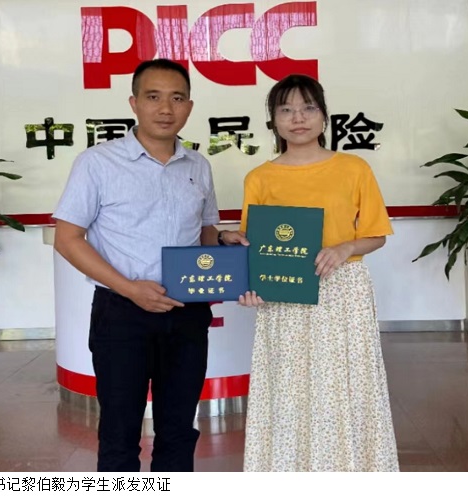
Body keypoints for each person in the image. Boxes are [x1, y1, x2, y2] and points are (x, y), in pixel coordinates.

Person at [52, 58, 244, 472]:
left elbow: (204, 232)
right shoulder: (97, 162)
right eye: (153, 97)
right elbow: (67, 239)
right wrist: (130, 288)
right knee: (120, 431)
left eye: (177, 98)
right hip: (122, 314)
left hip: (187, 312)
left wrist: (222, 242)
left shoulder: (198, 165)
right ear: (134, 103)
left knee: (179, 429)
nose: (165, 108)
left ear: (189, 106)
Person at [231, 74, 399, 471]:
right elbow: (254, 247)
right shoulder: (260, 178)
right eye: (286, 110)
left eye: (308, 108)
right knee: (289, 389)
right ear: (273, 120)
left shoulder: (354, 168)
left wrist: (345, 248)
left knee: (345, 386)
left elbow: (376, 235)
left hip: (343, 291)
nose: (298, 118)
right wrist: (250, 286)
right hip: (284, 297)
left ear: (324, 115)